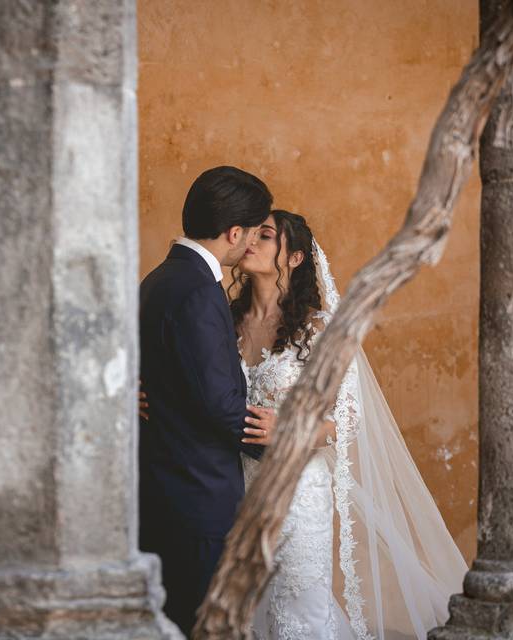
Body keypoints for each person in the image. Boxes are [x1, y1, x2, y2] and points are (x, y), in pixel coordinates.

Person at [145, 209, 469, 639]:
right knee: (239, 607)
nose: (250, 243)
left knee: (296, 605)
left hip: (298, 489)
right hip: (230, 482)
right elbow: (192, 383)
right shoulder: (222, 317)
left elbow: (350, 415)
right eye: (250, 234)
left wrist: (293, 431)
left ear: (295, 258)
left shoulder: (320, 328)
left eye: (265, 236)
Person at [138, 166, 278, 636]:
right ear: (233, 232)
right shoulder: (199, 290)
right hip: (197, 496)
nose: (252, 245)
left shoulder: (159, 279)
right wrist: (283, 443)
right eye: (254, 233)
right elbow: (218, 403)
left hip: (161, 487)